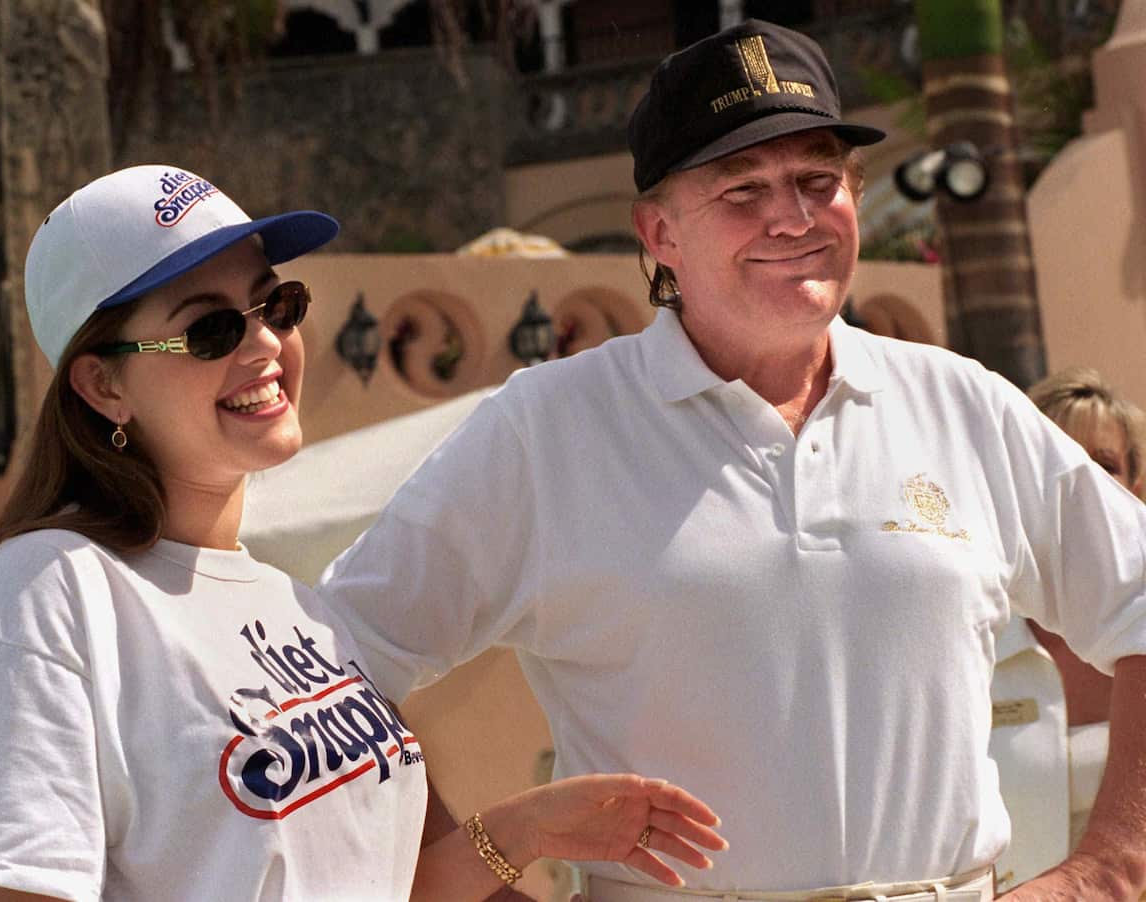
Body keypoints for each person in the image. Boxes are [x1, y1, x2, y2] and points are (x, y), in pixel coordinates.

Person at [315, 19, 1146, 902]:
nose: (792, 216)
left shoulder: (963, 403)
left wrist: (1109, 870)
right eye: (742, 189)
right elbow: (329, 669)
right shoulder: (545, 430)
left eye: (818, 180)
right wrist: (482, 878)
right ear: (658, 233)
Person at [0, 165, 727, 902]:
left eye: (276, 304)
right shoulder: (45, 594)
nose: (265, 342)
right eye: (210, 329)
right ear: (103, 384)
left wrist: (527, 828)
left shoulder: (295, 608)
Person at [989, 367, 1146, 892]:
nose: (1085, 487)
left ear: (1135, 489)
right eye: (1060, 463)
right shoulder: (970, 639)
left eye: (1104, 466)